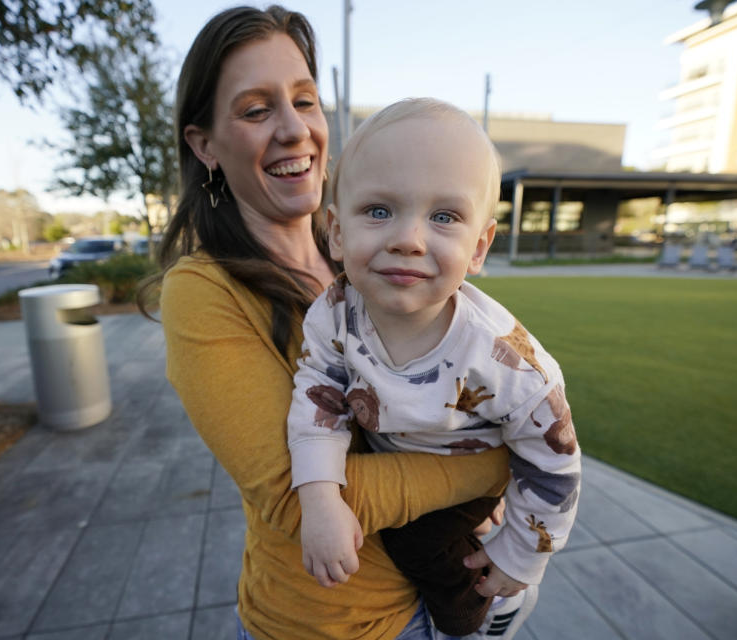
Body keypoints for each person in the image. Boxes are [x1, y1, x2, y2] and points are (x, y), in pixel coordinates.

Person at [151, 5, 516, 639]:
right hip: (330, 624)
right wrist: (496, 465)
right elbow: (299, 498)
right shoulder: (203, 292)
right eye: (256, 109)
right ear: (205, 145)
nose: (295, 130)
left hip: (442, 588)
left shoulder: (357, 252)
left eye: (305, 100)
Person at [286, 99, 582, 637]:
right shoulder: (333, 315)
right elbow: (318, 405)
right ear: (334, 231)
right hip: (399, 450)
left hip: (468, 476)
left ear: (479, 247)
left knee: (417, 547)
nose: (409, 238)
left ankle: (479, 615)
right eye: (378, 210)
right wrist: (319, 498)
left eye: (444, 216)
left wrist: (520, 556)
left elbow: (555, 464)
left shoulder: (505, 359)